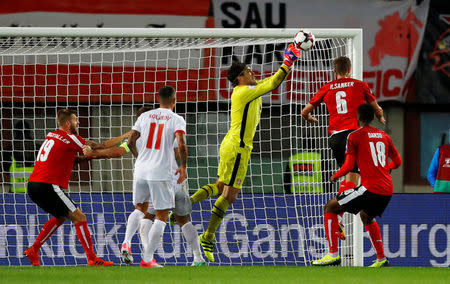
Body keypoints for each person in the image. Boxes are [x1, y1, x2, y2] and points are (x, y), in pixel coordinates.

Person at [188, 43, 301, 262]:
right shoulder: (243, 92)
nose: (252, 72)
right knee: (229, 195)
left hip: (234, 146)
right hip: (237, 148)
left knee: (222, 187)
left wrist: (290, 57)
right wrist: (288, 61)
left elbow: (269, 83)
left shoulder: (248, 90)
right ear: (239, 78)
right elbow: (274, 82)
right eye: (247, 71)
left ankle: (187, 204)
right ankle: (208, 236)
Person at [83, 106, 205, 266]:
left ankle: (138, 249)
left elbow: (119, 150)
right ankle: (197, 258)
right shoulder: (168, 128)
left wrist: (95, 152)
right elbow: (178, 151)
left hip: (151, 178)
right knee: (184, 221)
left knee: (145, 214)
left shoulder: (137, 134)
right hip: (174, 178)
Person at [301, 56, 386, 239]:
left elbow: (305, 111)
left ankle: (339, 214)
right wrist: (381, 118)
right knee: (353, 178)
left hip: (336, 138)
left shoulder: (326, 87)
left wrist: (309, 118)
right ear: (349, 69)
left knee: (349, 176)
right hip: (354, 136)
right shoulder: (360, 85)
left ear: (334, 71)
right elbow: (376, 109)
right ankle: (338, 216)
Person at [312, 103, 402, 267]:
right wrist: (385, 169)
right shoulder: (384, 136)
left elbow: (347, 166)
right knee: (365, 216)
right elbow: (398, 161)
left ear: (358, 117)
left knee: (330, 207)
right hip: (387, 190)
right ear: (373, 117)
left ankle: (332, 255)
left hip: (371, 188)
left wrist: (335, 176)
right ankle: (381, 259)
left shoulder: (354, 136)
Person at [24, 109, 116, 266]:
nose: (78, 122)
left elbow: (74, 159)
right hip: (48, 185)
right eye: (75, 120)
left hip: (33, 185)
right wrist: (121, 145)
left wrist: (95, 155)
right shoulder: (70, 138)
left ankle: (34, 249)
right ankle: (92, 259)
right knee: (80, 217)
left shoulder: (52, 135)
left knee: (61, 217)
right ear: (67, 123)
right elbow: (96, 146)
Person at [128, 86, 187, 268]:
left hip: (140, 170)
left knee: (141, 209)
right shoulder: (176, 119)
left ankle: (127, 242)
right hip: (159, 172)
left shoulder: (144, 116)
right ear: (174, 100)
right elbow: (181, 143)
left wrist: (140, 158)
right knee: (161, 216)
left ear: (158, 99)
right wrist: (183, 166)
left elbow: (130, 141)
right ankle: (147, 258)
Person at [1, 121, 41, 193]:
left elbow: (5, 170)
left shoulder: (8, 150)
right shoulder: (39, 149)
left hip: (16, 192)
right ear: (29, 131)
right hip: (36, 191)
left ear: (15, 131)